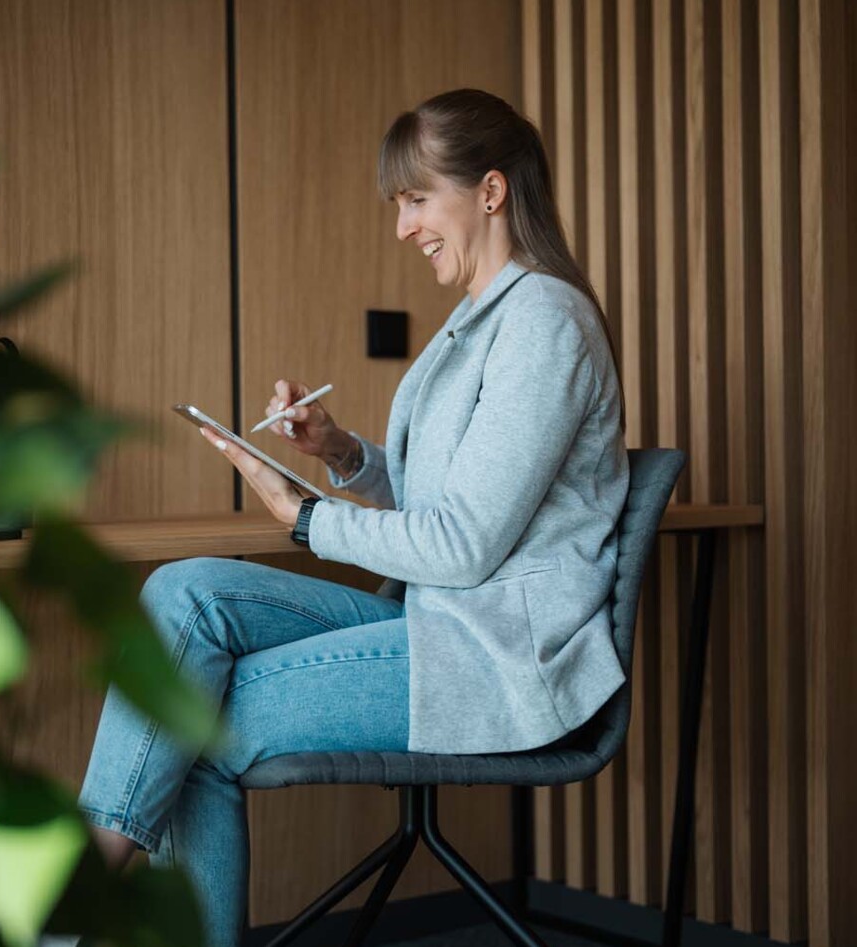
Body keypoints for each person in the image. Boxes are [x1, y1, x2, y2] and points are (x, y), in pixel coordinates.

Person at [76, 88, 629, 945]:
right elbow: (440, 501)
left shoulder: (544, 324)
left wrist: (305, 519)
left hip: (490, 658)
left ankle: (68, 897)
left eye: (416, 199)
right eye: (398, 205)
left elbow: (464, 543)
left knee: (185, 721)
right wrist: (341, 454)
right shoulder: (476, 323)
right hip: (435, 619)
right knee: (183, 592)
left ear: (488, 191)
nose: (403, 227)